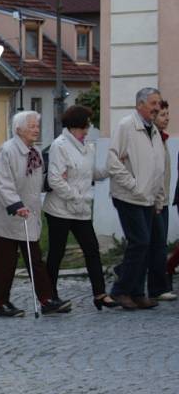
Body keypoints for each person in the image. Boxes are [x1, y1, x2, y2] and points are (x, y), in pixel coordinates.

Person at [0, 111, 70, 317]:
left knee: (35, 260)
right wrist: (16, 204)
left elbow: (34, 183)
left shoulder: (36, 153)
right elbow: (2, 183)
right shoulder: (7, 151)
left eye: (37, 125)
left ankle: (46, 299)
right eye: (31, 126)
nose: (36, 129)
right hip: (6, 217)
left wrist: (50, 182)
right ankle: (1, 303)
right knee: (6, 263)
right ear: (18, 129)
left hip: (27, 216)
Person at [42, 105, 116, 310]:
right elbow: (55, 179)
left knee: (92, 249)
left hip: (81, 210)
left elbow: (91, 174)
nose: (88, 130)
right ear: (75, 127)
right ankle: (49, 295)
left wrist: (111, 169)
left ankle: (100, 294)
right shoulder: (60, 145)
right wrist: (75, 198)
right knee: (57, 252)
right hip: (60, 209)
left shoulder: (88, 147)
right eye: (86, 126)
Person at [107, 87, 165, 310]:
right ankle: (121, 290)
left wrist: (158, 197)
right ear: (140, 104)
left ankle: (137, 292)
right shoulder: (126, 126)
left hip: (147, 198)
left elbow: (158, 167)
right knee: (139, 241)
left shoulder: (153, 131)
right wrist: (133, 185)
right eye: (152, 103)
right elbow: (113, 161)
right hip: (129, 196)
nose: (157, 107)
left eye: (158, 103)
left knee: (146, 244)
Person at [146, 100, 176, 300]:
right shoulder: (151, 140)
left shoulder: (162, 139)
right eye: (163, 115)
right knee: (156, 244)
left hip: (162, 199)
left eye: (167, 114)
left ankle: (124, 270)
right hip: (153, 200)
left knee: (157, 243)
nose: (167, 118)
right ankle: (158, 287)